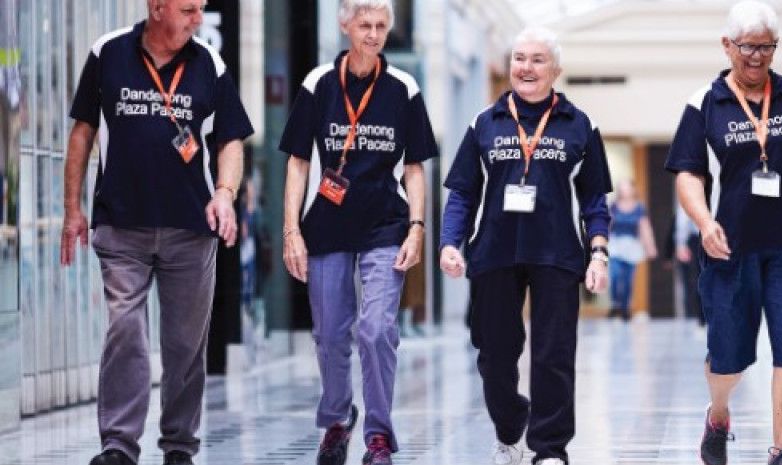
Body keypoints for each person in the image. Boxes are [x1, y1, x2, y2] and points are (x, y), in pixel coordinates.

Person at [59, 1, 254, 465]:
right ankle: (119, 445)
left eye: (201, 8)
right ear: (156, 7)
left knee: (185, 344)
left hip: (190, 226)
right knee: (125, 328)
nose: (198, 18)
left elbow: (229, 139)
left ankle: (180, 446)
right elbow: (83, 132)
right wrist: (72, 209)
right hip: (121, 221)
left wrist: (225, 193)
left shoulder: (210, 62)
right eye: (187, 9)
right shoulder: (108, 53)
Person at [664, 2, 782, 465]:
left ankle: (780, 449)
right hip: (731, 247)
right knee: (727, 356)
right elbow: (688, 174)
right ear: (727, 46)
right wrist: (705, 224)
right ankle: (719, 414)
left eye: (767, 47)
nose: (758, 57)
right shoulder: (704, 101)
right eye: (748, 47)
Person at [440, 26, 613, 465]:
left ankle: (549, 449)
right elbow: (462, 192)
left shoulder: (580, 125)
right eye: (519, 58)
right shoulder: (484, 122)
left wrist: (598, 251)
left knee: (554, 355)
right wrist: (449, 243)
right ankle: (510, 424)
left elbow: (594, 199)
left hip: (557, 253)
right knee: (495, 355)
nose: (526, 67)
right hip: (494, 251)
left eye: (538, 59)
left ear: (555, 69)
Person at [278, 1, 438, 464]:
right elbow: (297, 162)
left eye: (381, 26)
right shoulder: (318, 84)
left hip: (385, 223)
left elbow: (414, 168)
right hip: (326, 225)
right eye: (364, 25)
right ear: (344, 25)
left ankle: (379, 437)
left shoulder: (403, 88)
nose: (373, 34)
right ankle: (337, 419)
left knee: (376, 329)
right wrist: (291, 231)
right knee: (330, 333)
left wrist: (416, 229)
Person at [607, 179, 657, 320]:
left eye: (628, 188)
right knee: (615, 275)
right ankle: (615, 303)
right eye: (623, 188)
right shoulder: (614, 206)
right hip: (616, 245)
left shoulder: (639, 208)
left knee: (628, 279)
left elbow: (644, 228)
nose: (626, 191)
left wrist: (650, 247)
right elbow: (608, 226)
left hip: (632, 246)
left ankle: (625, 307)